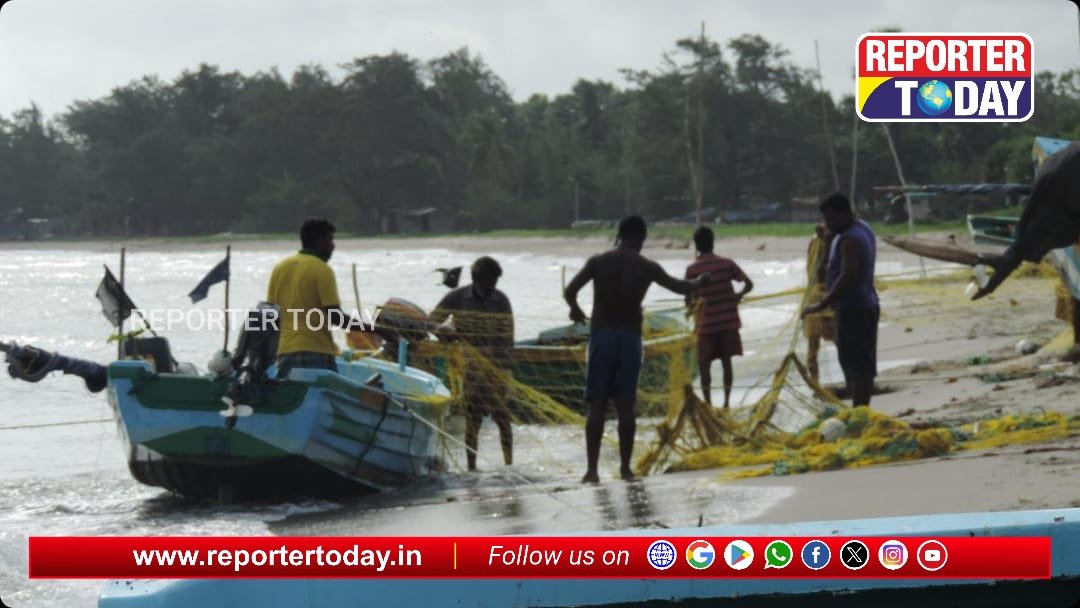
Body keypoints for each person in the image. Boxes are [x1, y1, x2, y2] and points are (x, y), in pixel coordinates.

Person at [564, 216, 710, 483]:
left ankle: (592, 471)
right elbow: (680, 287)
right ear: (641, 239)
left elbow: (570, 290)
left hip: (602, 337)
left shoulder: (599, 261)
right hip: (630, 338)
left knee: (596, 405)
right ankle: (625, 470)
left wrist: (575, 308)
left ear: (619, 235)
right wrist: (699, 281)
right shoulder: (647, 267)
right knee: (625, 406)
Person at [429, 256, 515, 471]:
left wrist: (504, 369)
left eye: (495, 282)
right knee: (473, 420)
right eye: (488, 282)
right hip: (470, 368)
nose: (492, 287)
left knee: (503, 419)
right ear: (476, 279)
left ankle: (509, 465)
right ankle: (472, 469)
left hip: (496, 368)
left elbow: (507, 337)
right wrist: (442, 330)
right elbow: (430, 320)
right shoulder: (457, 297)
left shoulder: (501, 300)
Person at [801, 193, 879, 407]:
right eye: (825, 219)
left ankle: (860, 412)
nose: (828, 223)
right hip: (864, 304)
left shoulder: (850, 240)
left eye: (831, 219)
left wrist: (822, 303)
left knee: (858, 366)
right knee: (855, 362)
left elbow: (848, 277)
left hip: (854, 308)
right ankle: (859, 410)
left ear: (845, 213)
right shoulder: (862, 228)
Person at [266, 218, 360, 378]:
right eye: (330, 239)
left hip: (285, 352)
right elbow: (336, 317)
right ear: (319, 241)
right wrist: (376, 329)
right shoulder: (322, 269)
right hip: (315, 352)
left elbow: (270, 314)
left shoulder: (280, 268)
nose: (333, 246)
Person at [684, 226, 753, 408]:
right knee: (726, 363)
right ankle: (727, 403)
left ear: (696, 245)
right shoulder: (727, 264)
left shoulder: (692, 269)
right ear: (713, 242)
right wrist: (738, 296)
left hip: (705, 326)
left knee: (704, 366)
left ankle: (707, 404)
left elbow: (688, 299)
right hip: (728, 323)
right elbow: (749, 284)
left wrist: (692, 308)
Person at [802, 223, 836, 383]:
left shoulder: (834, 241)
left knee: (839, 342)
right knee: (813, 348)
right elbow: (816, 270)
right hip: (819, 296)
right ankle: (816, 384)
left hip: (828, 296)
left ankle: (851, 381)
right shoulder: (816, 242)